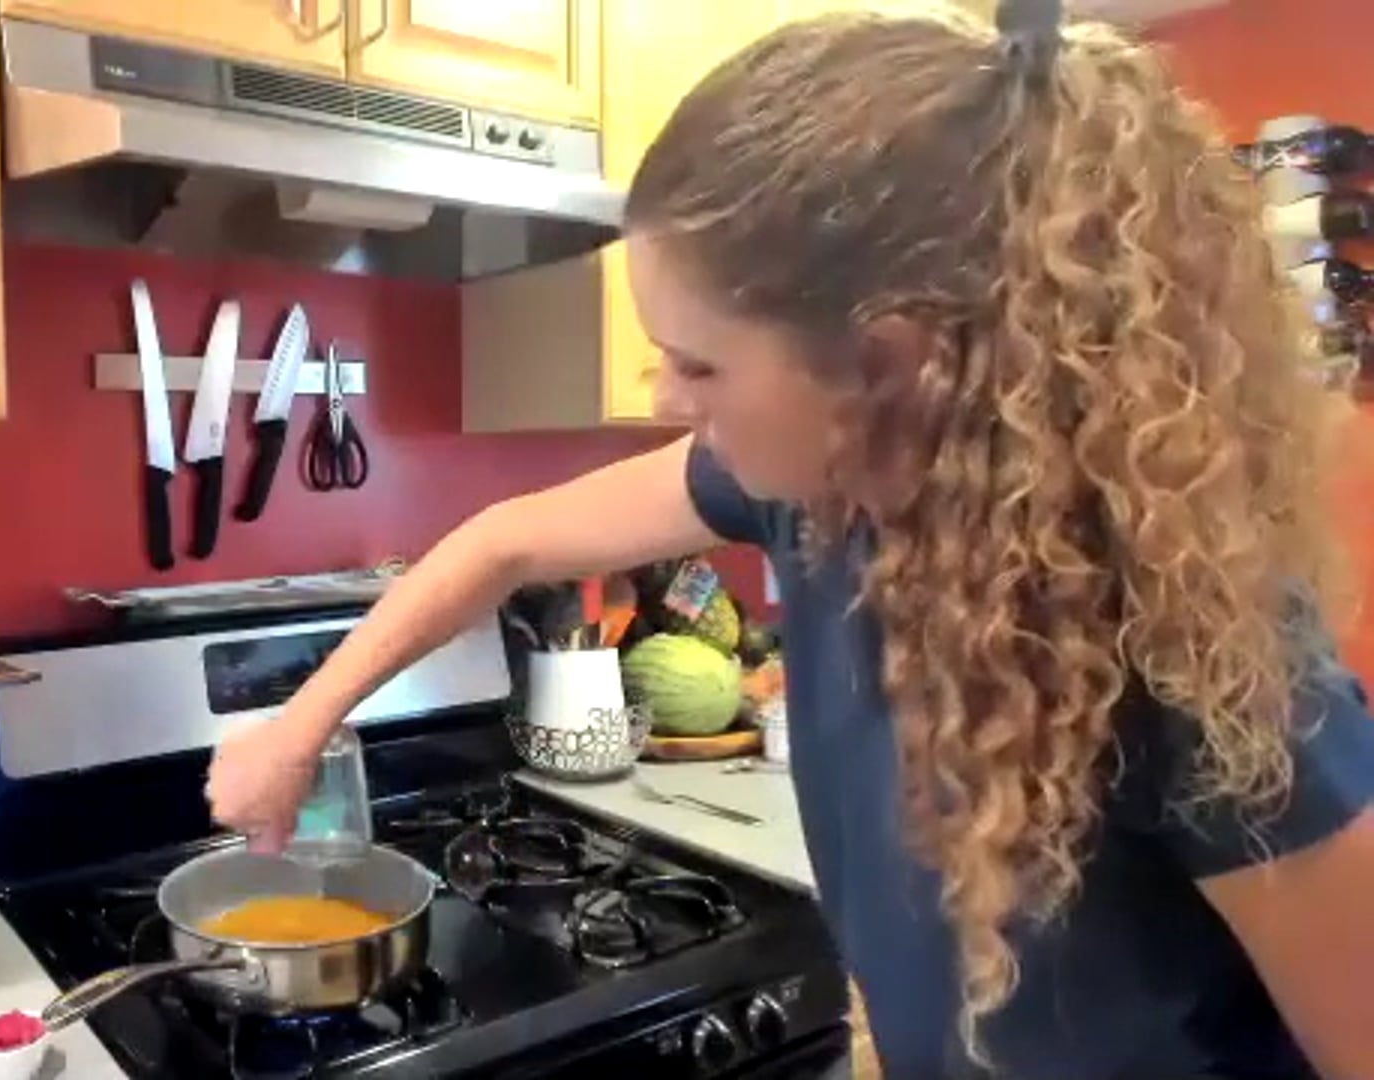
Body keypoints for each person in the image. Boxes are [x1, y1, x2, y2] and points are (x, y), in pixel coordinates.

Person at [207, 1, 1374, 1077]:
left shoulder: (1212, 667)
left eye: (701, 362)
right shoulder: (808, 485)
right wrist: (301, 725)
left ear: (889, 363)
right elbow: (506, 542)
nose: (667, 396)